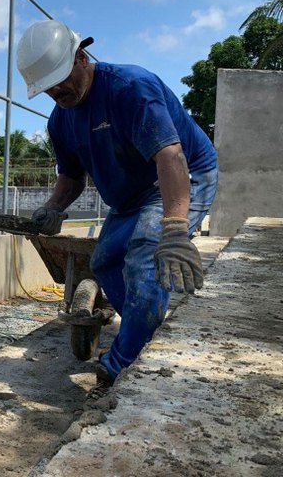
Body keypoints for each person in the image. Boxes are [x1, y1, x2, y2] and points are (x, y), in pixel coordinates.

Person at [15, 20, 218, 387]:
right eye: (47, 87)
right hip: (130, 197)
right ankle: (146, 333)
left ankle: (122, 363)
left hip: (180, 175)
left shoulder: (129, 88)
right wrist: (53, 208)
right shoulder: (60, 122)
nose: (57, 90)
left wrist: (173, 229)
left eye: (60, 77)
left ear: (81, 57)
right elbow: (71, 178)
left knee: (146, 253)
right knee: (105, 262)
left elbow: (171, 156)